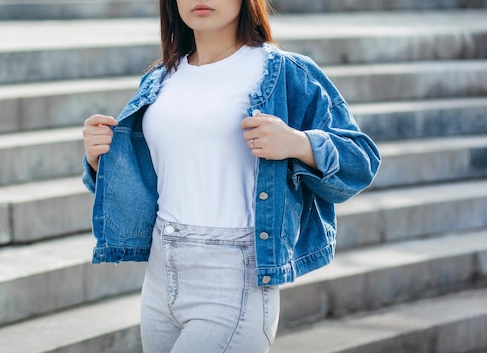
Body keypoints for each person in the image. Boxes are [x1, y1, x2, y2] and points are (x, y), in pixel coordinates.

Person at [82, 0, 381, 352]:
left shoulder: (284, 72)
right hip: (162, 276)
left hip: (234, 277)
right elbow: (153, 178)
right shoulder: (160, 79)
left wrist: (299, 144)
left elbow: (361, 161)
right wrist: (99, 158)